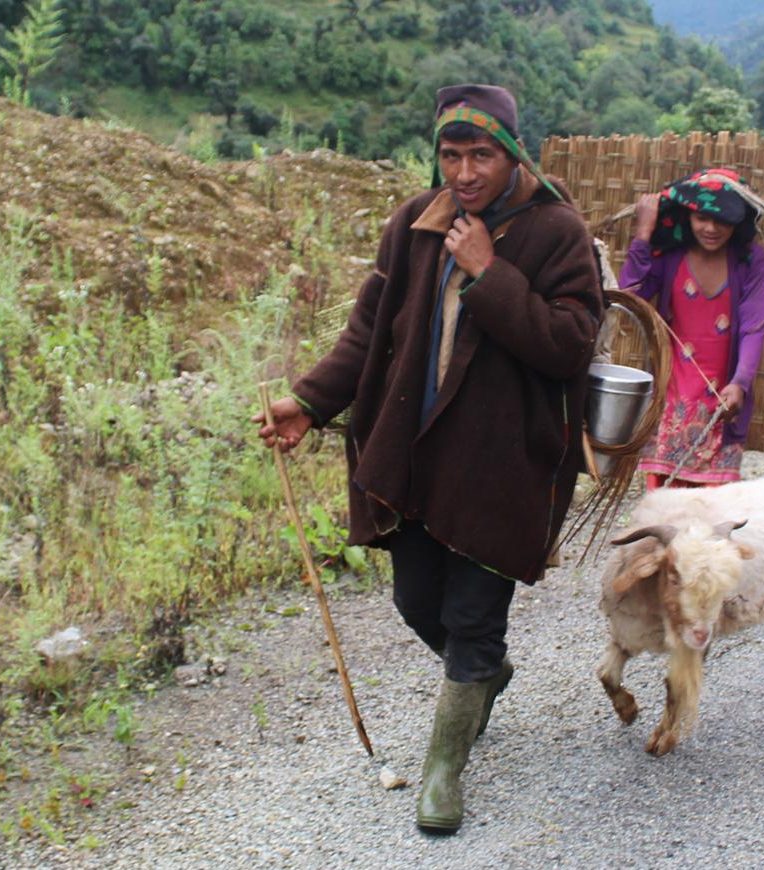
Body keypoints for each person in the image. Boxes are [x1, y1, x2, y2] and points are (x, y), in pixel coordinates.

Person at [253, 84, 601, 835]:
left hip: (504, 462)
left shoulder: (557, 232)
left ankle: (444, 768)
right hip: (416, 449)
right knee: (418, 603)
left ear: (512, 152)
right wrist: (310, 402)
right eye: (451, 154)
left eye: (481, 154)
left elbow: (570, 345)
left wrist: (489, 272)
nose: (465, 171)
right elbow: (368, 329)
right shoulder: (414, 222)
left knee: (473, 616)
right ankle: (483, 678)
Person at [620, 168, 764, 489]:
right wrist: (643, 233)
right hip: (671, 405)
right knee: (665, 511)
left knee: (711, 516)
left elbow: (753, 325)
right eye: (702, 217)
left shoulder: (750, 261)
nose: (711, 228)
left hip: (722, 408)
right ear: (687, 214)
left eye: (723, 221)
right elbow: (629, 296)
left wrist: (740, 383)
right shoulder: (669, 256)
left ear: (738, 222)